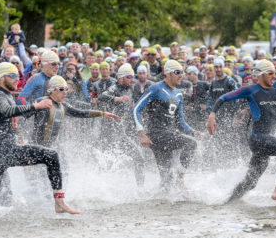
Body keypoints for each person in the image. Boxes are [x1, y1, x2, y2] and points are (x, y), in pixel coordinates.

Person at [0, 62, 80, 216]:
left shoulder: (6, 94)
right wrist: (35, 106)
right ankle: (59, 202)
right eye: (13, 76)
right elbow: (7, 111)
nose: (17, 79)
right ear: (1, 78)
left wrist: (36, 112)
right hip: (2, 151)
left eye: (18, 76)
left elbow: (14, 117)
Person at [207, 60, 276, 202]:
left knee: (250, 182)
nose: (273, 76)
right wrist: (212, 115)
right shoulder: (251, 90)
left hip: (263, 141)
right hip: (257, 138)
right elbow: (223, 97)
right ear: (262, 75)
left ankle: (227, 202)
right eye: (270, 73)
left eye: (275, 73)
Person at [132, 60, 202, 189]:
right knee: (191, 143)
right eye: (177, 72)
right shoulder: (156, 88)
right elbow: (136, 109)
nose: (181, 75)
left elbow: (180, 121)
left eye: (182, 72)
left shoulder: (179, 94)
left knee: (167, 180)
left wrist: (193, 132)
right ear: (168, 73)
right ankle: (180, 178)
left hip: (167, 135)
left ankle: (158, 202)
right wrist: (141, 134)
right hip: (156, 134)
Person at [32, 75, 119, 147]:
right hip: (36, 148)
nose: (65, 92)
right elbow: (24, 112)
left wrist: (102, 113)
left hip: (51, 148)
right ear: (52, 90)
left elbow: (81, 113)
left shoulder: (63, 106)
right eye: (61, 89)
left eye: (66, 89)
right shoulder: (41, 102)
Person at [98, 64, 145, 186]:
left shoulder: (130, 88)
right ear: (121, 78)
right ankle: (100, 188)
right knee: (106, 164)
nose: (132, 79)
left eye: (133, 76)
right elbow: (102, 97)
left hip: (121, 132)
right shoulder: (115, 87)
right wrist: (118, 99)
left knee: (139, 158)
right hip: (109, 133)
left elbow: (131, 104)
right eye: (129, 77)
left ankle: (140, 188)